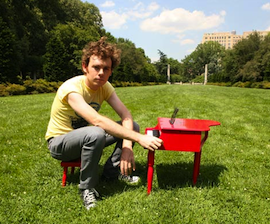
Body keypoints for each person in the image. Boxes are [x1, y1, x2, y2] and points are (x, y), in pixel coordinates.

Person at [45, 37, 163, 210]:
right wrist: (139, 139)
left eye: (106, 68)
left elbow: (126, 115)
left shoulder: (105, 87)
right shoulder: (71, 88)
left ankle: (113, 173)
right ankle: (87, 188)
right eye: (96, 67)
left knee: (132, 126)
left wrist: (127, 147)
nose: (101, 72)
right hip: (60, 143)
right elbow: (96, 120)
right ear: (85, 67)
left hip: (86, 136)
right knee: (97, 132)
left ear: (111, 71)